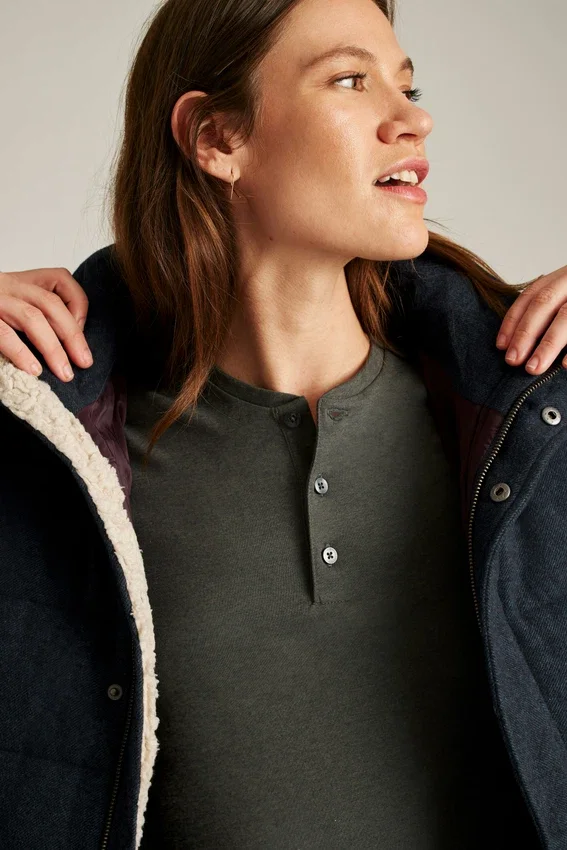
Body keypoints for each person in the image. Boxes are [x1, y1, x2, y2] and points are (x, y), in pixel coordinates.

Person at [1, 0, 567, 847]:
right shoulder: (57, 448)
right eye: (349, 81)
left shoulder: (526, 418)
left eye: (407, 87)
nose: (413, 120)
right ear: (216, 138)